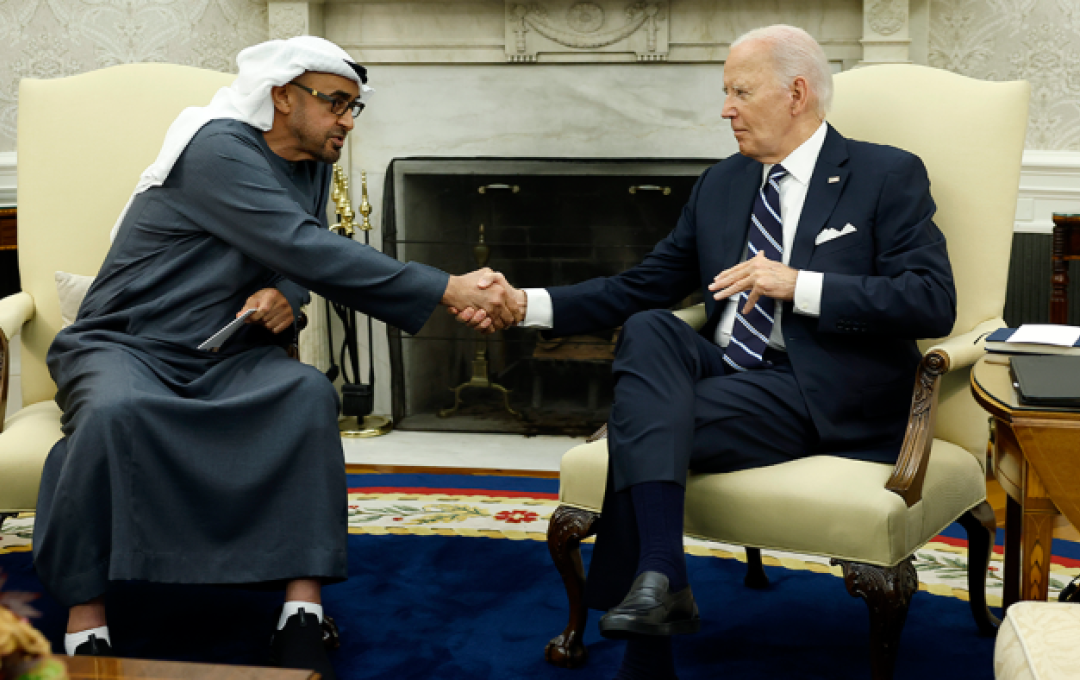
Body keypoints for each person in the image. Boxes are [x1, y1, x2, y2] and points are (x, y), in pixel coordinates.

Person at [452, 24, 956, 679]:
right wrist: (525, 305)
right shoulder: (721, 184)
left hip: (820, 391)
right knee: (652, 328)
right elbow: (642, 286)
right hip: (727, 372)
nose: (725, 109)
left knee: (640, 422)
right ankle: (664, 577)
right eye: (725, 93)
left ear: (796, 92)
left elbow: (930, 300)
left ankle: (649, 644)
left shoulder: (886, 174)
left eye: (739, 92)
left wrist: (797, 284)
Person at [32, 36, 521, 679]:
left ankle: (302, 610)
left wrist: (284, 292)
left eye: (355, 107)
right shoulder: (217, 148)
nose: (348, 121)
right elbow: (302, 243)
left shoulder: (311, 163)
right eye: (337, 104)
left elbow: (299, 256)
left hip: (226, 348)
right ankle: (86, 622)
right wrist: (449, 288)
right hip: (127, 342)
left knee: (306, 395)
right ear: (282, 96)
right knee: (112, 413)